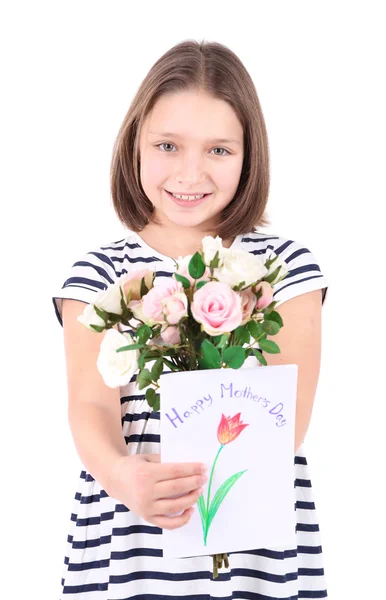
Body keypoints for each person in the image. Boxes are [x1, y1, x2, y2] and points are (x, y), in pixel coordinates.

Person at [53, 39, 329, 599]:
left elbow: (284, 419)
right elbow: (89, 405)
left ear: (250, 156)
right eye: (167, 145)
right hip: (129, 539)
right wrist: (122, 476)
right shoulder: (97, 274)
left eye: (219, 150)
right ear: (135, 146)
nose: (190, 171)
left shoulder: (283, 269)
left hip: (251, 542)